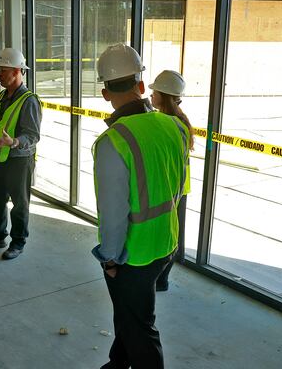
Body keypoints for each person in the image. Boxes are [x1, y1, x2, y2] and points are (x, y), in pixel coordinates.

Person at [92, 44, 188, 369]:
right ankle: (118, 362)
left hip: (134, 255)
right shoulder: (173, 127)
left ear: (106, 93)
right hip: (167, 242)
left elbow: (113, 216)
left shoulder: (112, 142)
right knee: (131, 312)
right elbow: (179, 185)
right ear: (142, 85)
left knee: (140, 325)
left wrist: (109, 258)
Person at [0, 48, 42, 260]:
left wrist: (14, 142)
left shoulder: (29, 100)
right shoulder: (2, 96)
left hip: (19, 161)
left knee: (20, 204)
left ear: (16, 71)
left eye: (2, 70)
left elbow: (32, 135)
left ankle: (18, 242)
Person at [149, 70, 194, 292]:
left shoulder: (166, 123)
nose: (150, 96)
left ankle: (161, 279)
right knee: (172, 231)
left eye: (154, 92)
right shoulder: (178, 121)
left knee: (169, 234)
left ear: (163, 95)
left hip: (170, 187)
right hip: (177, 186)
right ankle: (161, 279)